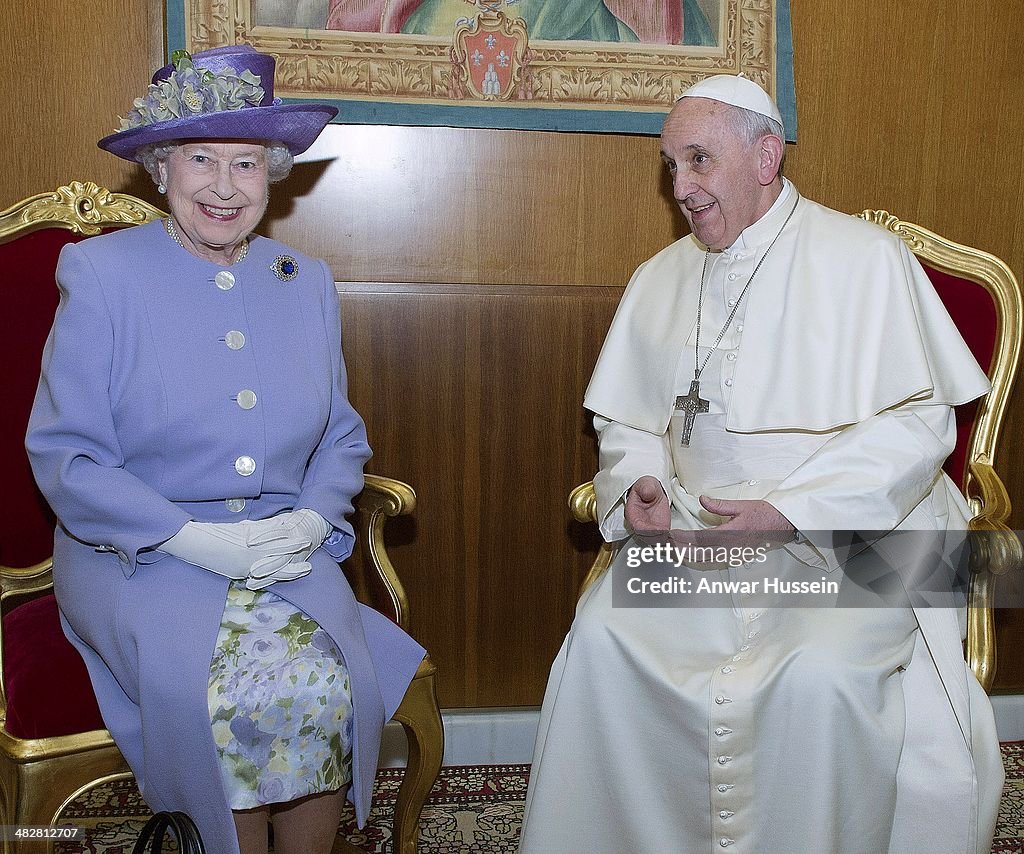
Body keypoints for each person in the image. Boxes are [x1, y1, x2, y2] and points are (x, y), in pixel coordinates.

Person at [519, 75, 1003, 853]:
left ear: (766, 156)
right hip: (699, 539)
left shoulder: (867, 260)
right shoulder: (660, 278)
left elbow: (921, 427)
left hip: (859, 539)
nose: (682, 187)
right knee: (603, 639)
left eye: (699, 160)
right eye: (672, 167)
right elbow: (628, 425)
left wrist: (792, 513)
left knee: (819, 677)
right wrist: (638, 488)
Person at [25, 45, 425, 854]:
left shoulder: (302, 278)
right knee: (233, 696)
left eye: (245, 163)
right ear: (159, 168)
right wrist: (189, 539)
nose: (222, 185)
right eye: (200, 159)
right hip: (138, 552)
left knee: (327, 681)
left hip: (282, 546)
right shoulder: (101, 274)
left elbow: (340, 434)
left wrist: (313, 522)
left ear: (273, 175)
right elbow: (67, 455)